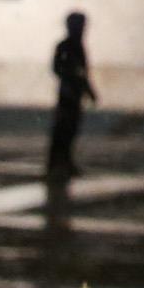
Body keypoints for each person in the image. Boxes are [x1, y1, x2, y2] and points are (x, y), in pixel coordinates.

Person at [47, 11, 98, 178]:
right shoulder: (66, 46)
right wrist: (73, 81)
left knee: (70, 130)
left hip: (73, 95)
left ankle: (64, 162)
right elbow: (57, 68)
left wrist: (89, 91)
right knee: (63, 130)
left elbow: (82, 73)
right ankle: (57, 164)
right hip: (67, 95)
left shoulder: (76, 46)